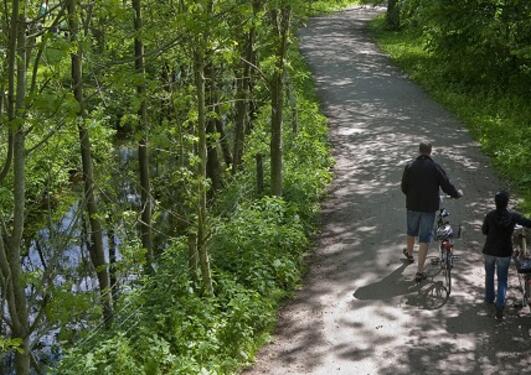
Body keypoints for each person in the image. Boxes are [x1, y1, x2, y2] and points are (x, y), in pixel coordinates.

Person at [401, 142, 462, 282]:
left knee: (411, 230)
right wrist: (456, 194)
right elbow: (446, 186)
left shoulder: (409, 167)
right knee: (425, 237)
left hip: (412, 205)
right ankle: (419, 271)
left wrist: (411, 196)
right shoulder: (435, 167)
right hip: (429, 208)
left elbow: (404, 187)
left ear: (419, 151)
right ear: (430, 151)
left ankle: (410, 254)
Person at [482, 191, 531, 319]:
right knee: (502, 279)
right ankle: (500, 304)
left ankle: (489, 298)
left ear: (495, 202)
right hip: (504, 252)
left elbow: (484, 231)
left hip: (489, 250)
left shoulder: (490, 215)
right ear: (507, 202)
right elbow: (527, 223)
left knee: (489, 274)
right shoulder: (513, 216)